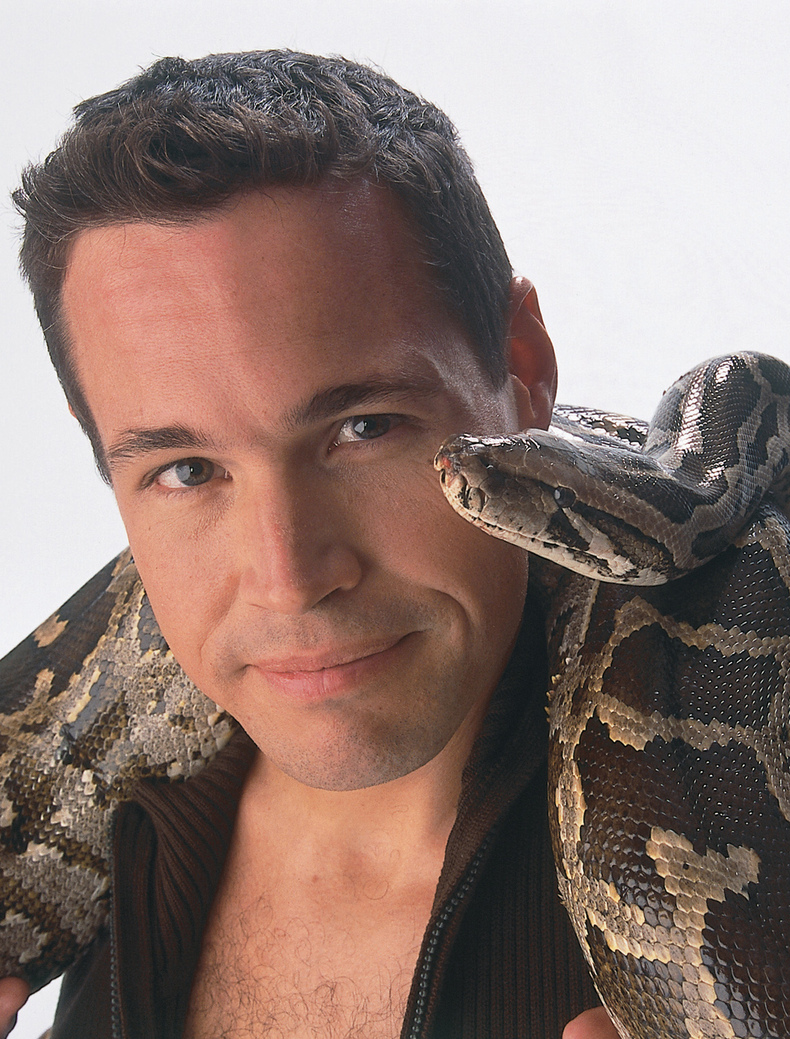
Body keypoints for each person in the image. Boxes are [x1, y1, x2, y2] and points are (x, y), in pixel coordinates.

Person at [1, 51, 621, 1039]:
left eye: (364, 429)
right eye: (187, 470)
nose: (289, 579)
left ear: (523, 368)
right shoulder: (110, 854)